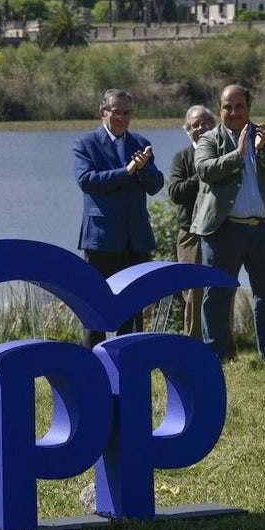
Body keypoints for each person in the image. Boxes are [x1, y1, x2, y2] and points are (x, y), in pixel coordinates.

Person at [192, 84, 265, 364]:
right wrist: (237, 155)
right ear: (220, 109)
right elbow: (204, 170)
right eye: (227, 107)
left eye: (239, 106)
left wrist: (262, 151)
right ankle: (216, 358)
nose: (233, 112)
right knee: (217, 297)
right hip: (224, 231)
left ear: (249, 107)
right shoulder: (209, 139)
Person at [72, 88, 164, 347]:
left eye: (127, 113)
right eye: (116, 112)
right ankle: (92, 363)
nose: (122, 118)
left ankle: (128, 360)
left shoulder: (140, 142)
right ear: (103, 113)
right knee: (96, 307)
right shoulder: (85, 144)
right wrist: (126, 171)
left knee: (133, 307)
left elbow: (156, 185)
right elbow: (87, 181)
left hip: (136, 238)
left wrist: (143, 170)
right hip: (101, 239)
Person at [166, 104, 216, 340]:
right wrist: (204, 171)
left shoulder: (225, 151)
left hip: (220, 230)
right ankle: (193, 346)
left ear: (215, 125)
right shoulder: (182, 158)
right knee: (193, 291)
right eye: (195, 124)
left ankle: (223, 348)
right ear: (188, 130)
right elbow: (175, 193)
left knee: (220, 288)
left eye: (206, 122)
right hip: (191, 233)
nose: (201, 127)